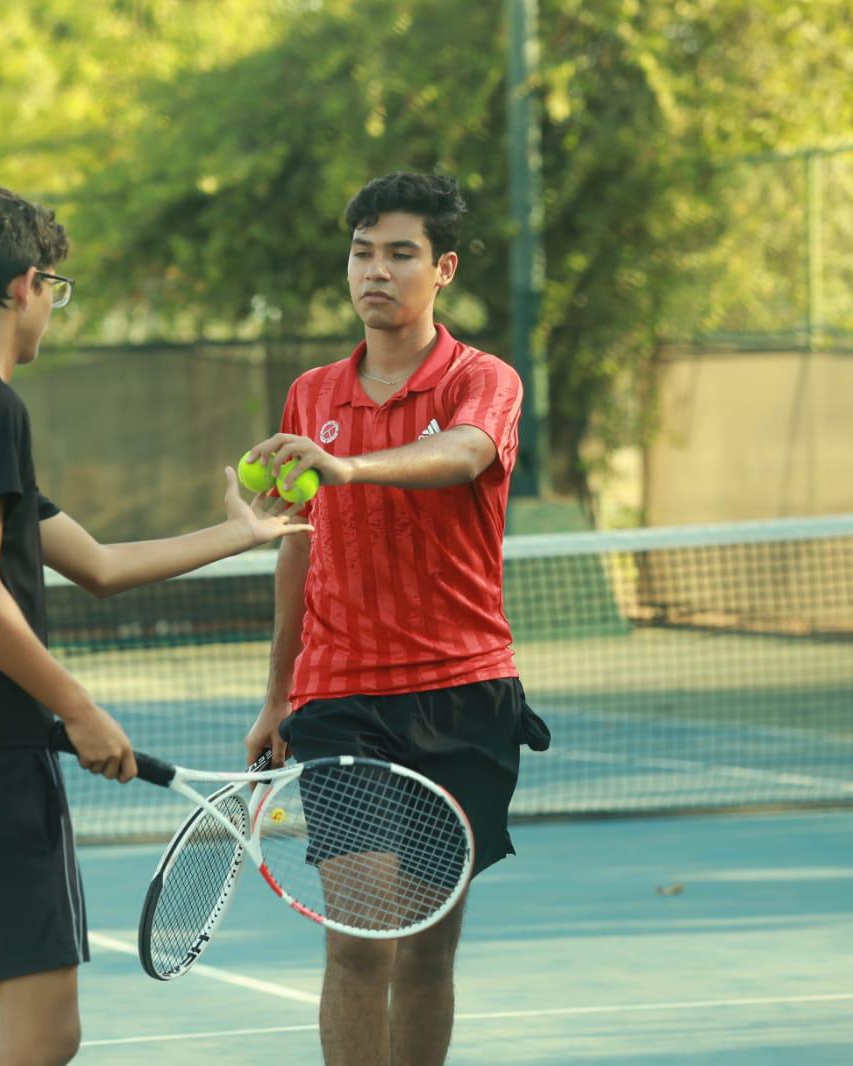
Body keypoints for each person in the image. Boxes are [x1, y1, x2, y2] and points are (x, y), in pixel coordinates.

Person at [0, 184, 310, 1066]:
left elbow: (101, 566)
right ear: (22, 285)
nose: (53, 308)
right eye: (55, 289)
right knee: (46, 1034)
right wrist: (77, 707)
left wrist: (241, 534)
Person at [242, 171, 551, 1066]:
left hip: (465, 695)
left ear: (442, 267)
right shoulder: (311, 395)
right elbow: (298, 548)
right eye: (362, 252)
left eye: (400, 254)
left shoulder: (482, 380)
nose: (375, 271)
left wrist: (353, 468)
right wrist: (278, 695)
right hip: (343, 700)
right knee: (359, 935)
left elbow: (464, 455)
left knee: (424, 950)